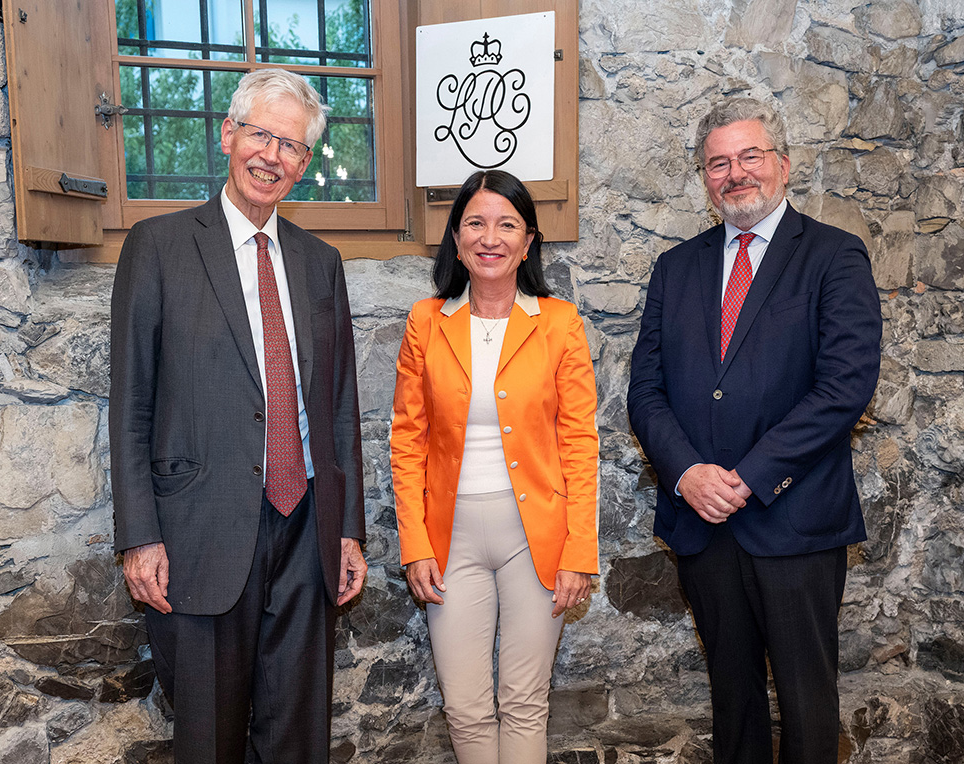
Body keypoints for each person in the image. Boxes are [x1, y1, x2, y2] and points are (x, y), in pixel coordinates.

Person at [109, 68, 367, 764]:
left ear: (305, 164)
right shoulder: (158, 248)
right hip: (200, 535)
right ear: (228, 134)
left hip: (307, 529)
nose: (272, 156)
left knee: (296, 737)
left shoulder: (321, 262)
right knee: (209, 740)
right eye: (260, 134)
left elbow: (341, 407)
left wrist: (347, 530)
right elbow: (130, 403)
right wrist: (139, 536)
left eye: (291, 145)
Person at [627, 97, 882, 764]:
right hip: (703, 526)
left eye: (749, 157)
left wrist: (750, 476)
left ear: (783, 165)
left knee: (806, 705)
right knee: (731, 702)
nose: (735, 173)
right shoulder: (674, 270)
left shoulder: (833, 257)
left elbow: (844, 388)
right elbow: (646, 394)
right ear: (705, 177)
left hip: (795, 519)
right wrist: (686, 474)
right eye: (719, 163)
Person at [390, 170, 599, 764]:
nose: (491, 237)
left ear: (528, 241)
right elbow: (407, 440)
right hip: (447, 539)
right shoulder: (425, 322)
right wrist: (415, 545)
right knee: (466, 706)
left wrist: (580, 550)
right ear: (455, 237)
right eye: (476, 223)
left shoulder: (560, 323)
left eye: (507, 224)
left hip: (537, 538)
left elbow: (579, 442)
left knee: (525, 700)